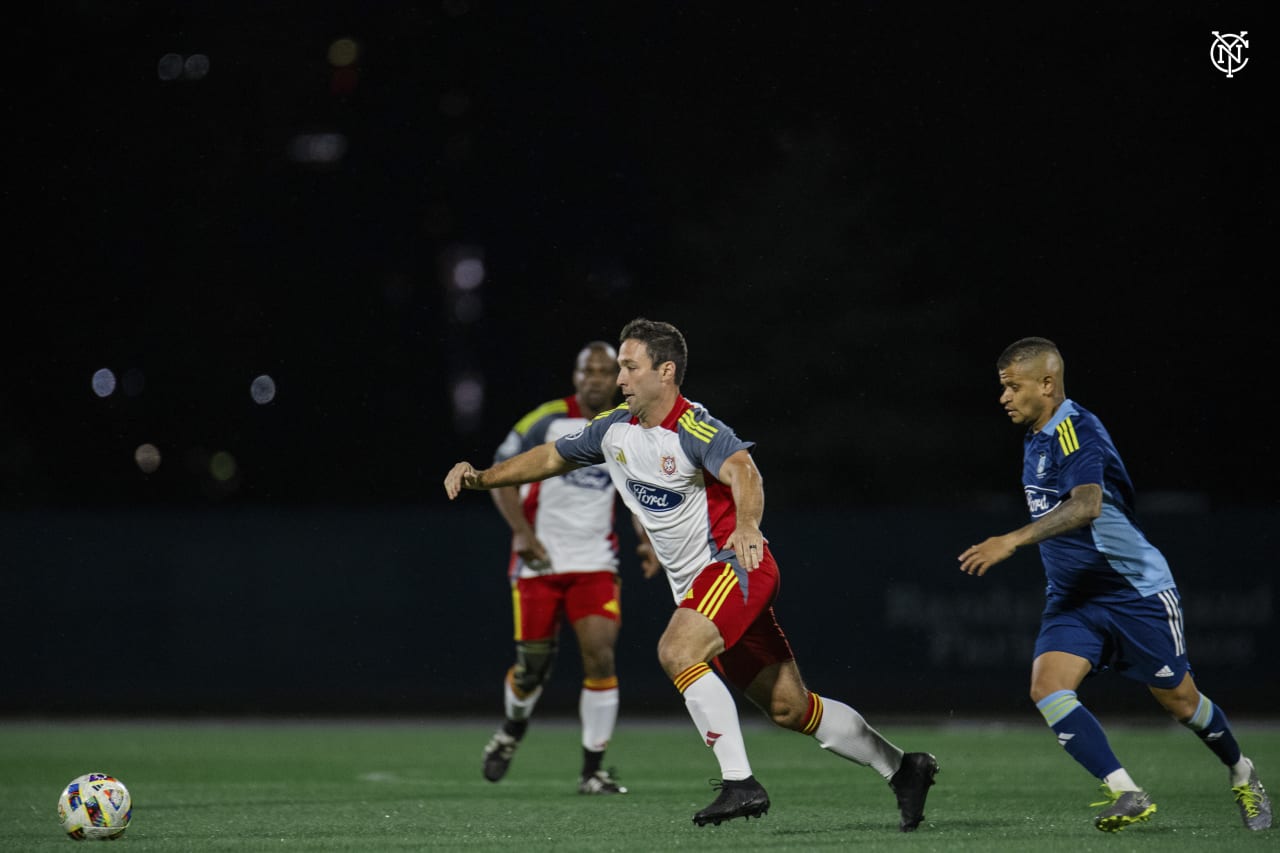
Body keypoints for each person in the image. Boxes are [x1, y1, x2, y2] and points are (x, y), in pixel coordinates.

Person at [447, 318, 939, 830]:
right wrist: (482, 478)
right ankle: (903, 768)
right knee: (792, 709)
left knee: (676, 651)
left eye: (630, 368)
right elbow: (551, 456)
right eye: (619, 367)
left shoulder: (693, 426)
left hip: (736, 568)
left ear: (665, 372)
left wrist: (747, 524)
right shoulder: (614, 429)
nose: (620, 379)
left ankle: (740, 784)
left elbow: (744, 470)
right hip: (703, 588)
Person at [958, 336, 1272, 833]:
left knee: (1181, 703)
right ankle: (1126, 792)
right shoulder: (1035, 437)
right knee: (1047, 687)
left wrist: (1013, 540)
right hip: (1075, 598)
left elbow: (1087, 505)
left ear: (1047, 383)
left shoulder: (1076, 431)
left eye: (1013, 387)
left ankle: (1242, 771)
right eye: (1003, 388)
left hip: (1134, 592)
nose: (1004, 397)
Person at [479, 340, 658, 795]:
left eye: (605, 370)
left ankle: (592, 770)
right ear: (576, 376)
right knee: (531, 669)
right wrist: (522, 532)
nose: (596, 378)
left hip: (595, 562)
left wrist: (647, 540)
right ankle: (511, 730)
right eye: (588, 371)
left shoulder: (628, 422)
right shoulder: (546, 418)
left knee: (600, 655)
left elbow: (637, 489)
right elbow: (501, 473)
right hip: (540, 561)